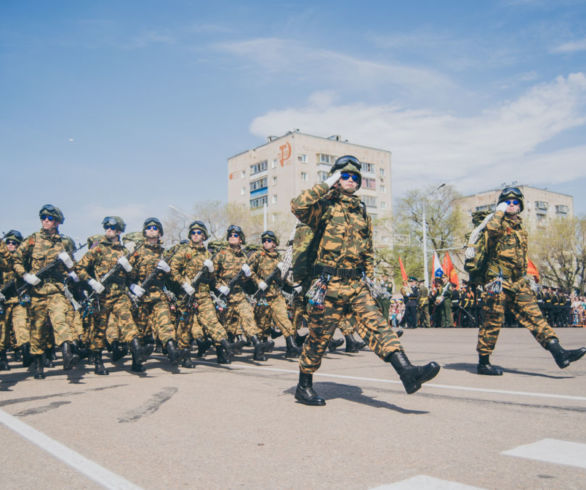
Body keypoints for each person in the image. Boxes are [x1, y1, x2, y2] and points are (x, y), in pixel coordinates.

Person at [290, 155, 439, 405]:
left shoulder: (362, 212)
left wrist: (369, 279)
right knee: (318, 339)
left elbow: (367, 251)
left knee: (378, 326)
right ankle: (303, 386)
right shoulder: (324, 207)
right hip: (327, 285)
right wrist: (327, 184)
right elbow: (298, 206)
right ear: (337, 178)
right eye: (345, 175)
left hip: (356, 286)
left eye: (355, 177)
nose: (351, 180)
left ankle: (407, 373)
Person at [475, 187, 585, 375]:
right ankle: (483, 363)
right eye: (507, 201)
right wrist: (499, 211)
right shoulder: (496, 222)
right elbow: (492, 229)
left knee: (536, 317)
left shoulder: (521, 229)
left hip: (518, 282)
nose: (511, 205)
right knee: (492, 322)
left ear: (521, 206)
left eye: (515, 202)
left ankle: (559, 353)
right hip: (497, 281)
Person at [13, 205, 80, 379]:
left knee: (60, 320)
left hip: (56, 290)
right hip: (36, 291)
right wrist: (26, 276)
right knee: (38, 329)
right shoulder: (32, 240)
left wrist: (69, 265)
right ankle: (38, 363)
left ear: (57, 222)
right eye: (43, 217)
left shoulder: (64, 242)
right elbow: (16, 260)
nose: (45, 221)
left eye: (49, 218)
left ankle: (67, 352)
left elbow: (73, 268)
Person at [75, 216, 147, 373]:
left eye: (112, 228)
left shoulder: (125, 252)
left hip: (120, 294)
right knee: (99, 329)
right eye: (106, 227)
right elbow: (79, 268)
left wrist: (128, 268)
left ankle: (137, 357)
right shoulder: (98, 249)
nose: (108, 229)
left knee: (128, 323)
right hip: (102, 295)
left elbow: (133, 276)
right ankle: (98, 362)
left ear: (119, 231)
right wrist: (92, 282)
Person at [169, 220, 234, 365]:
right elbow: (173, 270)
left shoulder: (207, 254)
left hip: (203, 294)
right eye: (193, 233)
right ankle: (184, 355)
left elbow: (211, 280)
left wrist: (211, 271)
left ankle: (225, 345)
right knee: (186, 325)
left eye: (199, 233)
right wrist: (184, 284)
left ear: (204, 236)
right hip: (187, 295)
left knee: (211, 321)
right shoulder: (184, 251)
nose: (196, 235)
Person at [214, 225, 273, 361]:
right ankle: (222, 353)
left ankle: (257, 346)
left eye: (235, 236)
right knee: (226, 325)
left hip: (239, 294)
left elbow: (246, 281)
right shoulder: (221, 254)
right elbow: (212, 276)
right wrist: (219, 287)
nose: (232, 237)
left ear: (241, 240)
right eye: (230, 235)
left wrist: (247, 275)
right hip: (224, 296)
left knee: (248, 317)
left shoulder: (245, 257)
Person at [128, 218, 181, 367]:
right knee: (141, 331)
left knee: (165, 324)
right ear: (145, 231)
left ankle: (172, 350)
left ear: (160, 233)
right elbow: (126, 275)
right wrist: (132, 286)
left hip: (158, 296)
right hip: (141, 297)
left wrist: (168, 270)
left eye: (155, 228)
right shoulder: (136, 252)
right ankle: (137, 360)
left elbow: (173, 279)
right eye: (149, 227)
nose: (151, 230)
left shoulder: (165, 254)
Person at [248, 230, 302, 358]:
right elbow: (249, 271)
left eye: (269, 241)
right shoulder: (257, 255)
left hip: (276, 294)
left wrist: (293, 284)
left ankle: (291, 347)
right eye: (264, 241)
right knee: (262, 324)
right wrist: (258, 281)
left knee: (283, 319)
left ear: (275, 244)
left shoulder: (279, 257)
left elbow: (283, 277)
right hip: (262, 296)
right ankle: (259, 351)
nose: (266, 243)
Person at [0, 230, 31, 369]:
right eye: (8, 242)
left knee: (22, 327)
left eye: (14, 243)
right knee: (3, 332)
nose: (11, 245)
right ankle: (3, 358)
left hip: (18, 299)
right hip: (3, 300)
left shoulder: (22, 260)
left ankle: (26, 352)